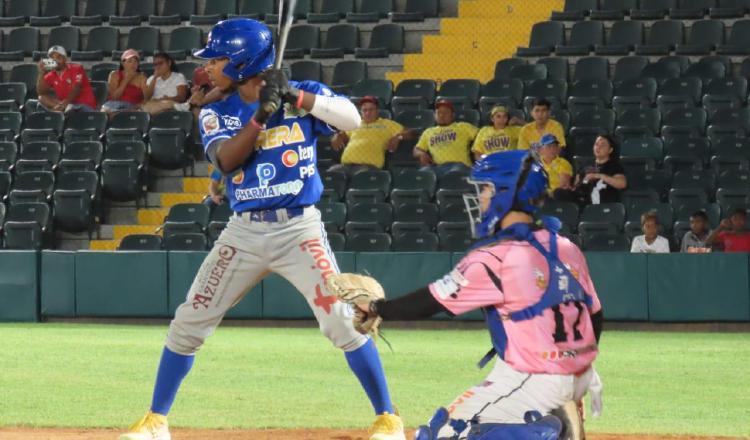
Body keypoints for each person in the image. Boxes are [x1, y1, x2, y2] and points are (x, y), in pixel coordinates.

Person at [118, 18, 405, 440]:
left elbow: (351, 121)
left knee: (342, 322)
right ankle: (156, 421)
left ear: (241, 61)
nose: (208, 68)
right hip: (244, 232)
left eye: (216, 60)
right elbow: (226, 162)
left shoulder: (298, 93)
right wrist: (260, 116)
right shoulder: (216, 109)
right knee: (190, 319)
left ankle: (388, 419)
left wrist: (293, 95)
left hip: (299, 230)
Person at [337, 150, 604, 440]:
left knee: (443, 433)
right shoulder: (566, 247)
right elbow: (595, 315)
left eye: (487, 189)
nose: (481, 197)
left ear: (508, 194)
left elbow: (430, 301)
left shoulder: (494, 258)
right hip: (573, 375)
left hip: (529, 378)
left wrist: (376, 307)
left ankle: (548, 428)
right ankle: (554, 411)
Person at [329, 96, 414, 176]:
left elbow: (409, 133)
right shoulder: (356, 123)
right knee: (330, 174)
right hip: (345, 166)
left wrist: (398, 137)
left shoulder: (386, 124)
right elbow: (342, 135)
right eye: (364, 110)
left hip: (368, 167)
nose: (368, 113)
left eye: (371, 110)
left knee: (361, 176)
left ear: (377, 111)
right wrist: (337, 136)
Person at [555, 135, 627, 207]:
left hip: (603, 204)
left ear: (610, 150)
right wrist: (570, 187)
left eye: (603, 145)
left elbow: (622, 184)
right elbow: (576, 186)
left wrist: (599, 176)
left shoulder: (614, 166)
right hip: (582, 201)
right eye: (596, 144)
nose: (598, 147)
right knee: (558, 193)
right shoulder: (585, 165)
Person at [413, 100, 478, 178]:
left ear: (453, 115)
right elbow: (417, 149)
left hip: (459, 165)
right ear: (434, 115)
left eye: (446, 112)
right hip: (437, 168)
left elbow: (482, 136)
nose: (441, 115)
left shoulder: (462, 126)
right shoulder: (428, 132)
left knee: (455, 173)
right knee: (423, 173)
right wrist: (421, 154)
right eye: (438, 112)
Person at [36, 46, 97, 113]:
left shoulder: (77, 68)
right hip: (65, 105)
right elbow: (41, 91)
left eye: (59, 57)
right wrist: (41, 73)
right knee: (41, 98)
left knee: (70, 108)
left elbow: (76, 88)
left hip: (83, 105)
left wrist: (64, 104)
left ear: (65, 58)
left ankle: (57, 112)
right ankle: (58, 111)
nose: (55, 60)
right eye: (52, 58)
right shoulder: (51, 74)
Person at [102, 49, 148, 115]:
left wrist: (135, 107)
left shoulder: (142, 77)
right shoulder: (114, 75)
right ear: (123, 63)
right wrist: (126, 80)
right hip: (113, 105)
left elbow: (147, 99)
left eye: (136, 61)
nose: (133, 64)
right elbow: (114, 97)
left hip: (132, 107)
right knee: (106, 111)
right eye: (130, 61)